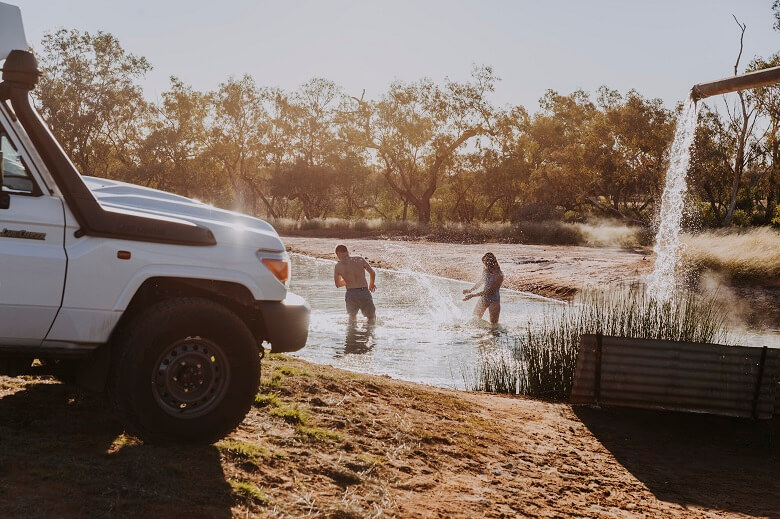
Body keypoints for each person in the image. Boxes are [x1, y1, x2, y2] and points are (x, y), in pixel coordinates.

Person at [334, 244, 377, 321]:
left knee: (352, 318)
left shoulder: (338, 266)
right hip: (364, 292)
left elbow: (338, 284)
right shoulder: (359, 259)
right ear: (347, 252)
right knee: (371, 318)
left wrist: (348, 280)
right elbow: (372, 273)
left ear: (338, 254)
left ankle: (352, 332)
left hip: (351, 294)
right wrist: (371, 284)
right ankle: (370, 332)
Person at [463, 252, 504, 324]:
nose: (484, 264)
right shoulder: (485, 270)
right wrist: (470, 290)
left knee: (494, 325)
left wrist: (473, 295)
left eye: (485, 262)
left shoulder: (499, 275)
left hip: (494, 300)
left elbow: (489, 291)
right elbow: (481, 281)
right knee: (474, 320)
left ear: (490, 262)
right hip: (484, 298)